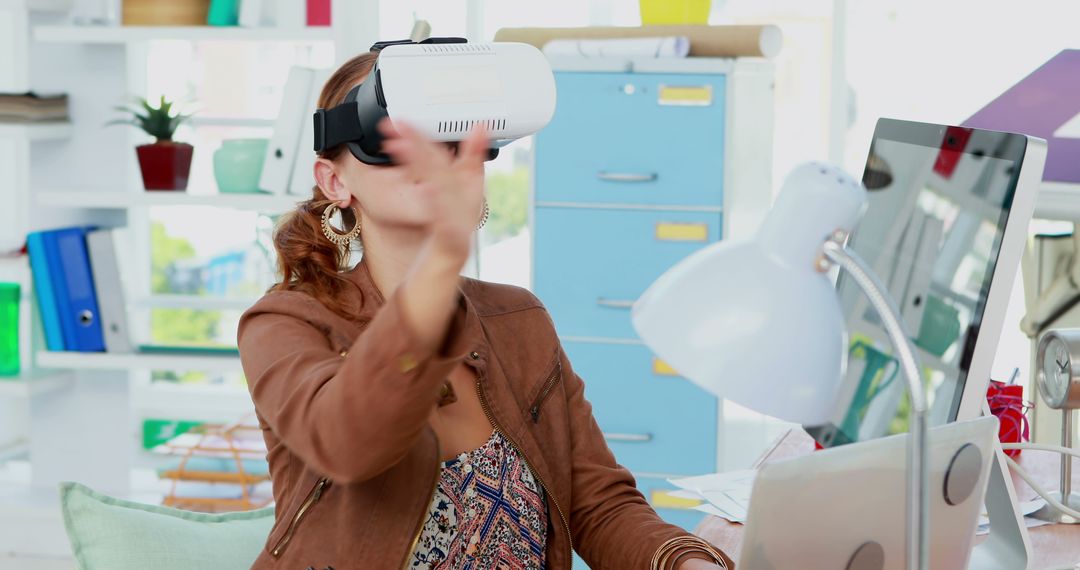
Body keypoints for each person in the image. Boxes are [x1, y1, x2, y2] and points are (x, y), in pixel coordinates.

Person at [237, 50, 734, 570]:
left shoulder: (519, 320)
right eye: (398, 137)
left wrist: (684, 563)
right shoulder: (285, 323)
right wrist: (440, 259)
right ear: (335, 182)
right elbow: (349, 443)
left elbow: (598, 504)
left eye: (448, 137)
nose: (432, 155)